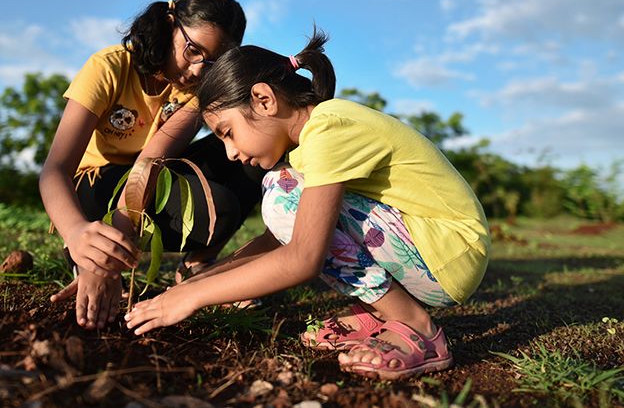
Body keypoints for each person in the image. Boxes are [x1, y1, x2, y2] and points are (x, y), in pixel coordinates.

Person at [123, 28, 491, 380]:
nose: (231, 153)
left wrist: (193, 297)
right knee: (286, 198)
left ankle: (416, 326)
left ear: (264, 99)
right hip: (434, 252)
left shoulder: (328, 129)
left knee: (283, 197)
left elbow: (303, 256)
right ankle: (377, 312)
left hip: (448, 254)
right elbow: (275, 241)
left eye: (228, 133)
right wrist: (201, 279)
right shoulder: (314, 140)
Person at [39, 0, 264, 331]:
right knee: (96, 204)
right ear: (170, 23)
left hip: (150, 179)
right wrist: (81, 238)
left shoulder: (196, 93)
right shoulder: (110, 67)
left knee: (249, 150)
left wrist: (110, 262)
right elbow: (55, 170)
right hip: (96, 190)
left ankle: (198, 266)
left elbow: (153, 159)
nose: (197, 71)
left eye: (212, 63)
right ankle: (89, 252)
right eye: (192, 50)